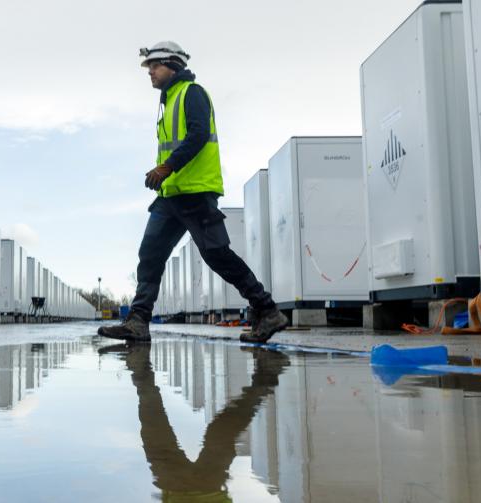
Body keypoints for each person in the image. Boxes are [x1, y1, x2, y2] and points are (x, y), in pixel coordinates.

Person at [98, 41, 289, 343]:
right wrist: (166, 176)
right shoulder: (168, 101)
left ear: (173, 66)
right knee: (150, 254)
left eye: (154, 66)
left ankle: (266, 310)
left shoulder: (192, 93)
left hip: (196, 193)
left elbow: (198, 134)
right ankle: (138, 321)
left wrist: (166, 167)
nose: (150, 72)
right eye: (148, 67)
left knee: (217, 255)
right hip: (170, 196)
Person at [99, 341, 289, 502]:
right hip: (192, 490)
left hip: (196, 490)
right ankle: (265, 380)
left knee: (211, 435)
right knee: (159, 428)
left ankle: (264, 382)